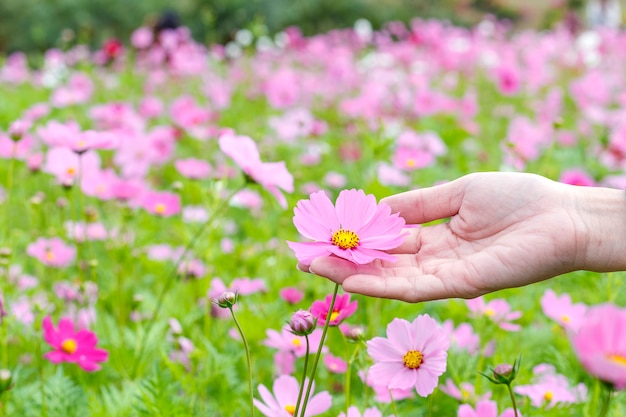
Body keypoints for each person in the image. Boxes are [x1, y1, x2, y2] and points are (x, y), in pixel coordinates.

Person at [299, 172, 626, 302]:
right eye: (342, 238)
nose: (344, 239)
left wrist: (577, 217)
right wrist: (576, 217)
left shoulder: (353, 239)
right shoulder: (343, 239)